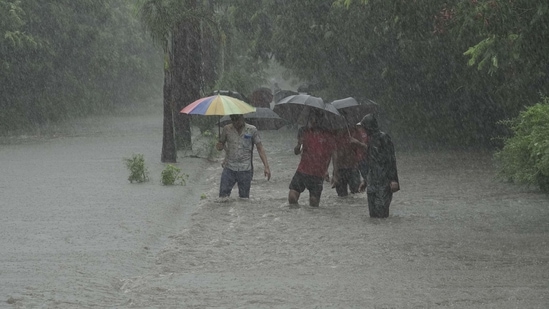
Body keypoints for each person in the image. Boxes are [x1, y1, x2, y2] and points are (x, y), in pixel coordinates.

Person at [352, 114, 399, 218]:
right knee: (373, 216)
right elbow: (370, 161)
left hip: (384, 182)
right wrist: (365, 180)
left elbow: (391, 159)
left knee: (382, 214)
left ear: (368, 127)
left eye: (364, 127)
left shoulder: (384, 138)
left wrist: (393, 179)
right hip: (372, 182)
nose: (363, 130)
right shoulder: (370, 139)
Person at [288, 110, 337, 207]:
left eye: (313, 119)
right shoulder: (303, 131)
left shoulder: (328, 135)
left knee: (314, 204)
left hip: (318, 174)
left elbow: (332, 153)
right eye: (310, 119)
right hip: (302, 171)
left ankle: (312, 221)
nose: (311, 121)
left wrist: (334, 173)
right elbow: (296, 152)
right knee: (292, 197)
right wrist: (299, 144)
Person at [216, 114, 271, 198]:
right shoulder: (226, 129)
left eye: (237, 119)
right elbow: (221, 145)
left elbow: (260, 148)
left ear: (242, 118)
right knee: (222, 197)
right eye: (233, 119)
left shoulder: (252, 130)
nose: (235, 122)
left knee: (244, 199)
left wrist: (266, 166)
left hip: (245, 169)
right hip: (229, 168)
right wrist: (219, 146)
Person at [331, 127, 362, 197]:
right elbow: (334, 155)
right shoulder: (335, 135)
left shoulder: (355, 133)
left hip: (353, 167)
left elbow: (365, 149)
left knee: (356, 194)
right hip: (340, 169)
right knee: (341, 196)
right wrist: (335, 174)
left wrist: (357, 143)